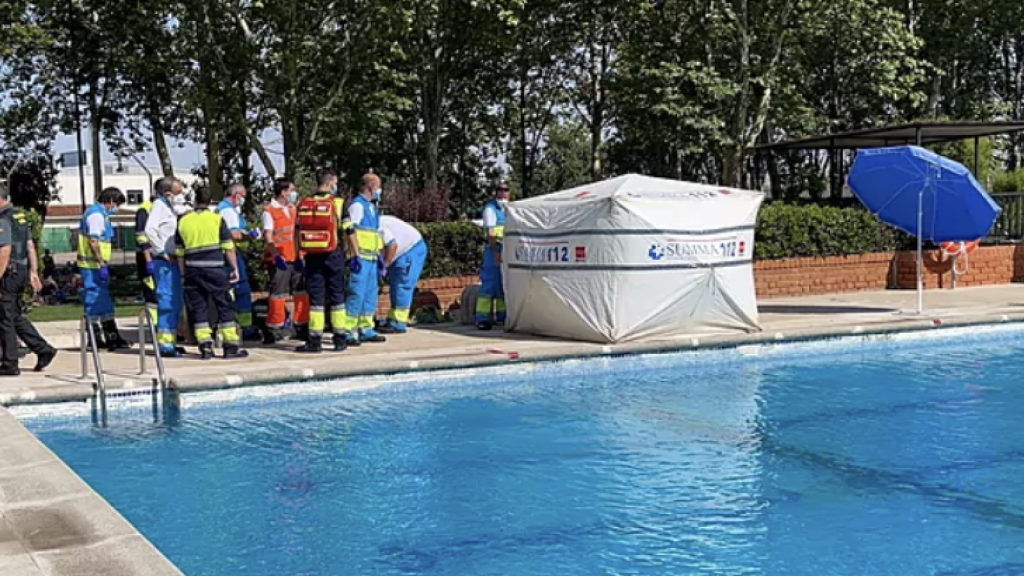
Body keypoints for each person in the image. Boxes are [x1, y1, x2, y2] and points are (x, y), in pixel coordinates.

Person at [175, 185, 248, 360]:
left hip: (193, 271)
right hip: (215, 270)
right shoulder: (217, 219)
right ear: (209, 201)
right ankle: (230, 347)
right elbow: (228, 247)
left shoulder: (184, 221)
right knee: (224, 305)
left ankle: (205, 346)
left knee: (199, 308)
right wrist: (234, 269)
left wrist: (184, 274)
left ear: (195, 200)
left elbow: (179, 253)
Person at [0, 183, 56, 376]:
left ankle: (10, 364)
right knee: (13, 315)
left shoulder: (3, 219)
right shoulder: (19, 216)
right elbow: (30, 245)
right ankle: (42, 349)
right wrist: (33, 271)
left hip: (9, 272)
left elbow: (4, 250)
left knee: (5, 318)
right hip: (21, 270)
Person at [295, 168, 348, 353]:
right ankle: (340, 339)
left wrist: (297, 255)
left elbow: (297, 232)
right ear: (331, 182)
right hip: (333, 255)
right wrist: (355, 255)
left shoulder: (304, 203)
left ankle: (314, 341)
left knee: (316, 300)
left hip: (312, 256)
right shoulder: (339, 203)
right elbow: (349, 231)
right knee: (337, 297)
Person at [77, 187, 132, 350]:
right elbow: (93, 242)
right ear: (109, 202)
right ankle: (96, 338)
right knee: (94, 300)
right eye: (117, 205)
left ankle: (109, 335)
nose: (116, 209)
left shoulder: (99, 214)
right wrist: (101, 263)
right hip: (92, 266)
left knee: (103, 301)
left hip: (94, 265)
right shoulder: (96, 216)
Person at [262, 178, 310, 343]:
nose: (293, 193)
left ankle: (301, 326)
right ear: (283, 192)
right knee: (278, 295)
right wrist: (276, 255)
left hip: (295, 258)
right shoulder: (269, 211)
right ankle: (274, 329)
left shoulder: (293, 209)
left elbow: (296, 233)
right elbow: (268, 237)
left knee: (301, 293)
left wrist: (299, 254)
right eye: (291, 190)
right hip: (279, 260)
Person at [341, 174, 386, 345]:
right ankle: (348, 330)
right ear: (370, 187)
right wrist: (354, 255)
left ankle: (366, 328)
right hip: (360, 258)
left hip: (372, 257)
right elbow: (349, 230)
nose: (379, 191)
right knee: (356, 294)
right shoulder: (357, 206)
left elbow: (374, 234)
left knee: (369, 295)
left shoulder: (371, 207)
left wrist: (379, 255)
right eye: (378, 187)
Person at [145, 177, 186, 357]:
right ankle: (164, 344)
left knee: (175, 301)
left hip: (172, 260)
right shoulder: (159, 206)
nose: (180, 194)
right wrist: (161, 251)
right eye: (178, 191)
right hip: (164, 261)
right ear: (167, 192)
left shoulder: (169, 207)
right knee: (167, 300)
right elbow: (149, 230)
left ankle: (171, 339)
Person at [216, 183, 258, 339]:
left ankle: (239, 325)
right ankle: (246, 328)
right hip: (229, 255)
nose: (243, 199)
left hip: (225, 254)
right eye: (243, 196)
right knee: (241, 290)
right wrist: (250, 236)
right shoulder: (228, 211)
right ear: (235, 195)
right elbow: (234, 235)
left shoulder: (223, 209)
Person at [377, 215, 428, 334]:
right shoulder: (373, 223)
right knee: (395, 285)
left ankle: (398, 322)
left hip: (411, 249)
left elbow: (392, 245)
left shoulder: (378, 227)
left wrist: (385, 265)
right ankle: (393, 319)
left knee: (402, 285)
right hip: (403, 251)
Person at [475, 182, 510, 330]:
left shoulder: (509, 209)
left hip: (507, 250)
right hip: (494, 250)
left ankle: (502, 317)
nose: (503, 193)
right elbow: (491, 234)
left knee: (502, 285)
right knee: (489, 285)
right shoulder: (490, 209)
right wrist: (495, 253)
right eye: (500, 190)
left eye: (506, 190)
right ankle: (482, 319)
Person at [134, 188, 159, 329]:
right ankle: (154, 323)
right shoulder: (145, 210)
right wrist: (148, 260)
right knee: (151, 292)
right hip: (147, 257)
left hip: (159, 256)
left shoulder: (161, 209)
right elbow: (141, 237)